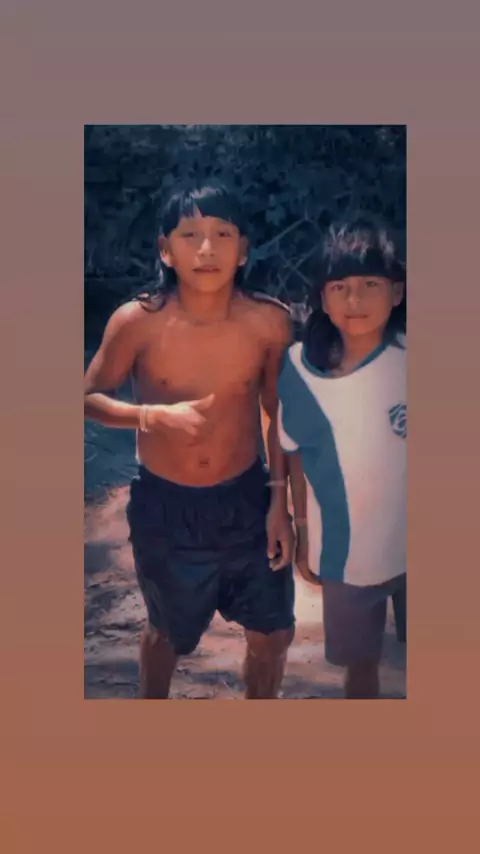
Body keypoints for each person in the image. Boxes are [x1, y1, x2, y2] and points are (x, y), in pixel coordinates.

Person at [84, 182, 295, 699]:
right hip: (167, 507)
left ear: (243, 251)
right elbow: (88, 397)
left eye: (223, 234)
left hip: (246, 498)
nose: (206, 249)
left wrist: (279, 504)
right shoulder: (138, 321)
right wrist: (152, 417)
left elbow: (278, 413)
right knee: (168, 634)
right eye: (190, 235)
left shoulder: (269, 322)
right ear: (165, 250)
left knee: (273, 633)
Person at [278, 213, 406, 699]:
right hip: (347, 557)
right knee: (360, 666)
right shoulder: (298, 368)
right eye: (339, 287)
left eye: (371, 284)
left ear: (397, 292)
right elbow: (293, 453)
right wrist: (301, 531)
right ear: (322, 297)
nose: (355, 300)